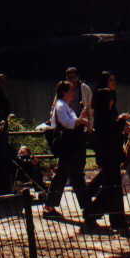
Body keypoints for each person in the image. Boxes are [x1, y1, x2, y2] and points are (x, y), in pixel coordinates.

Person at [43, 80, 95, 229]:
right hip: (69, 146)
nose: (73, 93)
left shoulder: (65, 106)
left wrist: (81, 116)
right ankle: (88, 211)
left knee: (62, 176)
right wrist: (81, 121)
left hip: (70, 147)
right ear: (64, 92)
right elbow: (68, 123)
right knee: (76, 177)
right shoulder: (60, 106)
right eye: (71, 90)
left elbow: (72, 121)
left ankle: (49, 206)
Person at [89, 71, 130, 232]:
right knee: (111, 188)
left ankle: (115, 219)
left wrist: (122, 122)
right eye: (110, 100)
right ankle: (94, 214)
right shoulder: (103, 118)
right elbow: (112, 131)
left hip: (110, 156)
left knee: (113, 188)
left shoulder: (105, 115)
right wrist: (121, 121)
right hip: (109, 156)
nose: (111, 102)